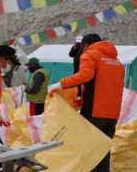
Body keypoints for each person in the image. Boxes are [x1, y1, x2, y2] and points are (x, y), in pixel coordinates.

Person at [47, 34, 124, 172]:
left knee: (89, 150)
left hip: (94, 112)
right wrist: (84, 98)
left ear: (86, 45)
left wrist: (60, 84)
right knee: (103, 150)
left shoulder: (91, 55)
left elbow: (85, 75)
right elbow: (106, 87)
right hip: (112, 114)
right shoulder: (116, 61)